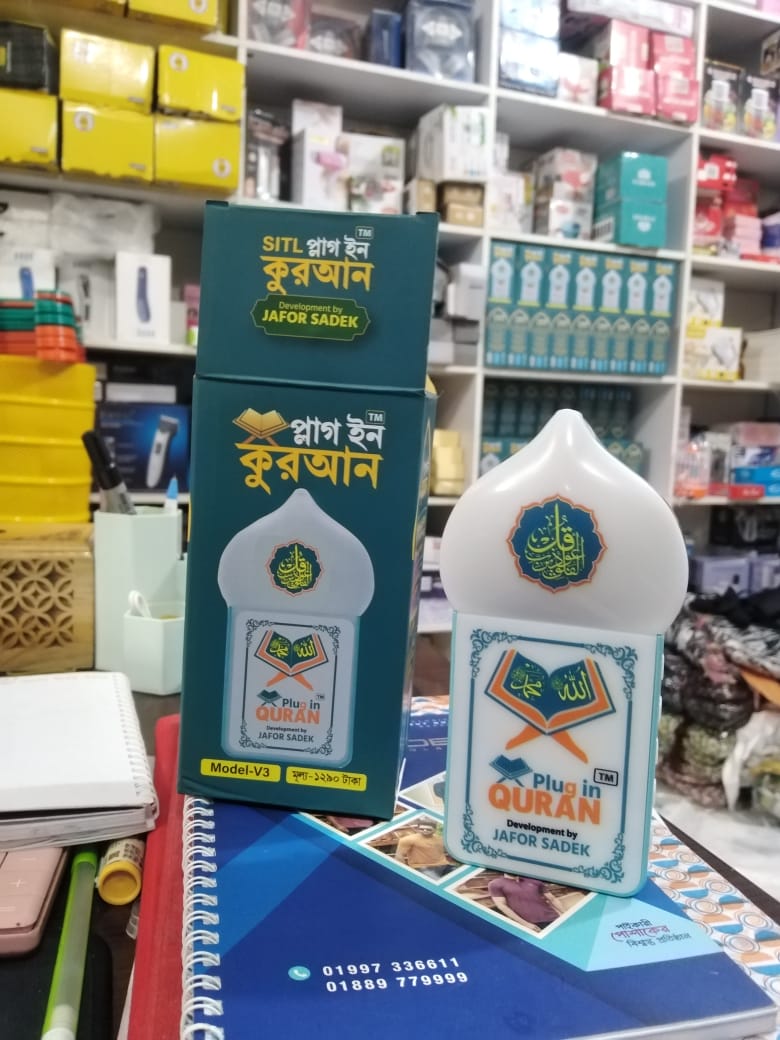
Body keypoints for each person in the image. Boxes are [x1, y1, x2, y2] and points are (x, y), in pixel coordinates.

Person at [487, 874, 566, 932]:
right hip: (531, 924)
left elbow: (552, 899)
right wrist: (525, 924)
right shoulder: (495, 884)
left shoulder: (534, 880)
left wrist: (565, 914)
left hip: (552, 917)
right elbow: (502, 906)